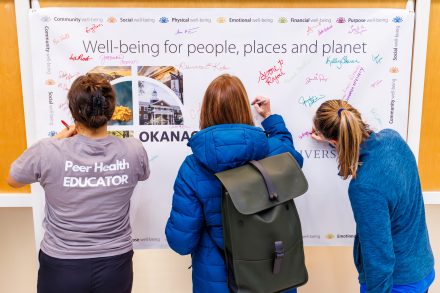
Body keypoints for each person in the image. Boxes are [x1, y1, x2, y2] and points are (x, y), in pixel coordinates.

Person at [7, 73, 150, 293]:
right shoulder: (133, 150)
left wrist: (58, 139)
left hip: (62, 267)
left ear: (73, 110)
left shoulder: (47, 152)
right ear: (111, 110)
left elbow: (13, 178)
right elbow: (143, 174)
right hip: (115, 265)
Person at [165, 74, 304, 292]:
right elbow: (292, 155)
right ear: (244, 108)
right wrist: (271, 119)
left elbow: (181, 243)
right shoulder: (274, 150)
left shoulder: (193, 167)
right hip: (275, 276)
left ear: (206, 111)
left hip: (219, 283)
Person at [311, 99, 434, 293]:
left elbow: (378, 255)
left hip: (396, 284)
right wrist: (332, 143)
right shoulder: (393, 139)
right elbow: (374, 162)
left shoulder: (364, 187)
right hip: (422, 268)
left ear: (334, 141)